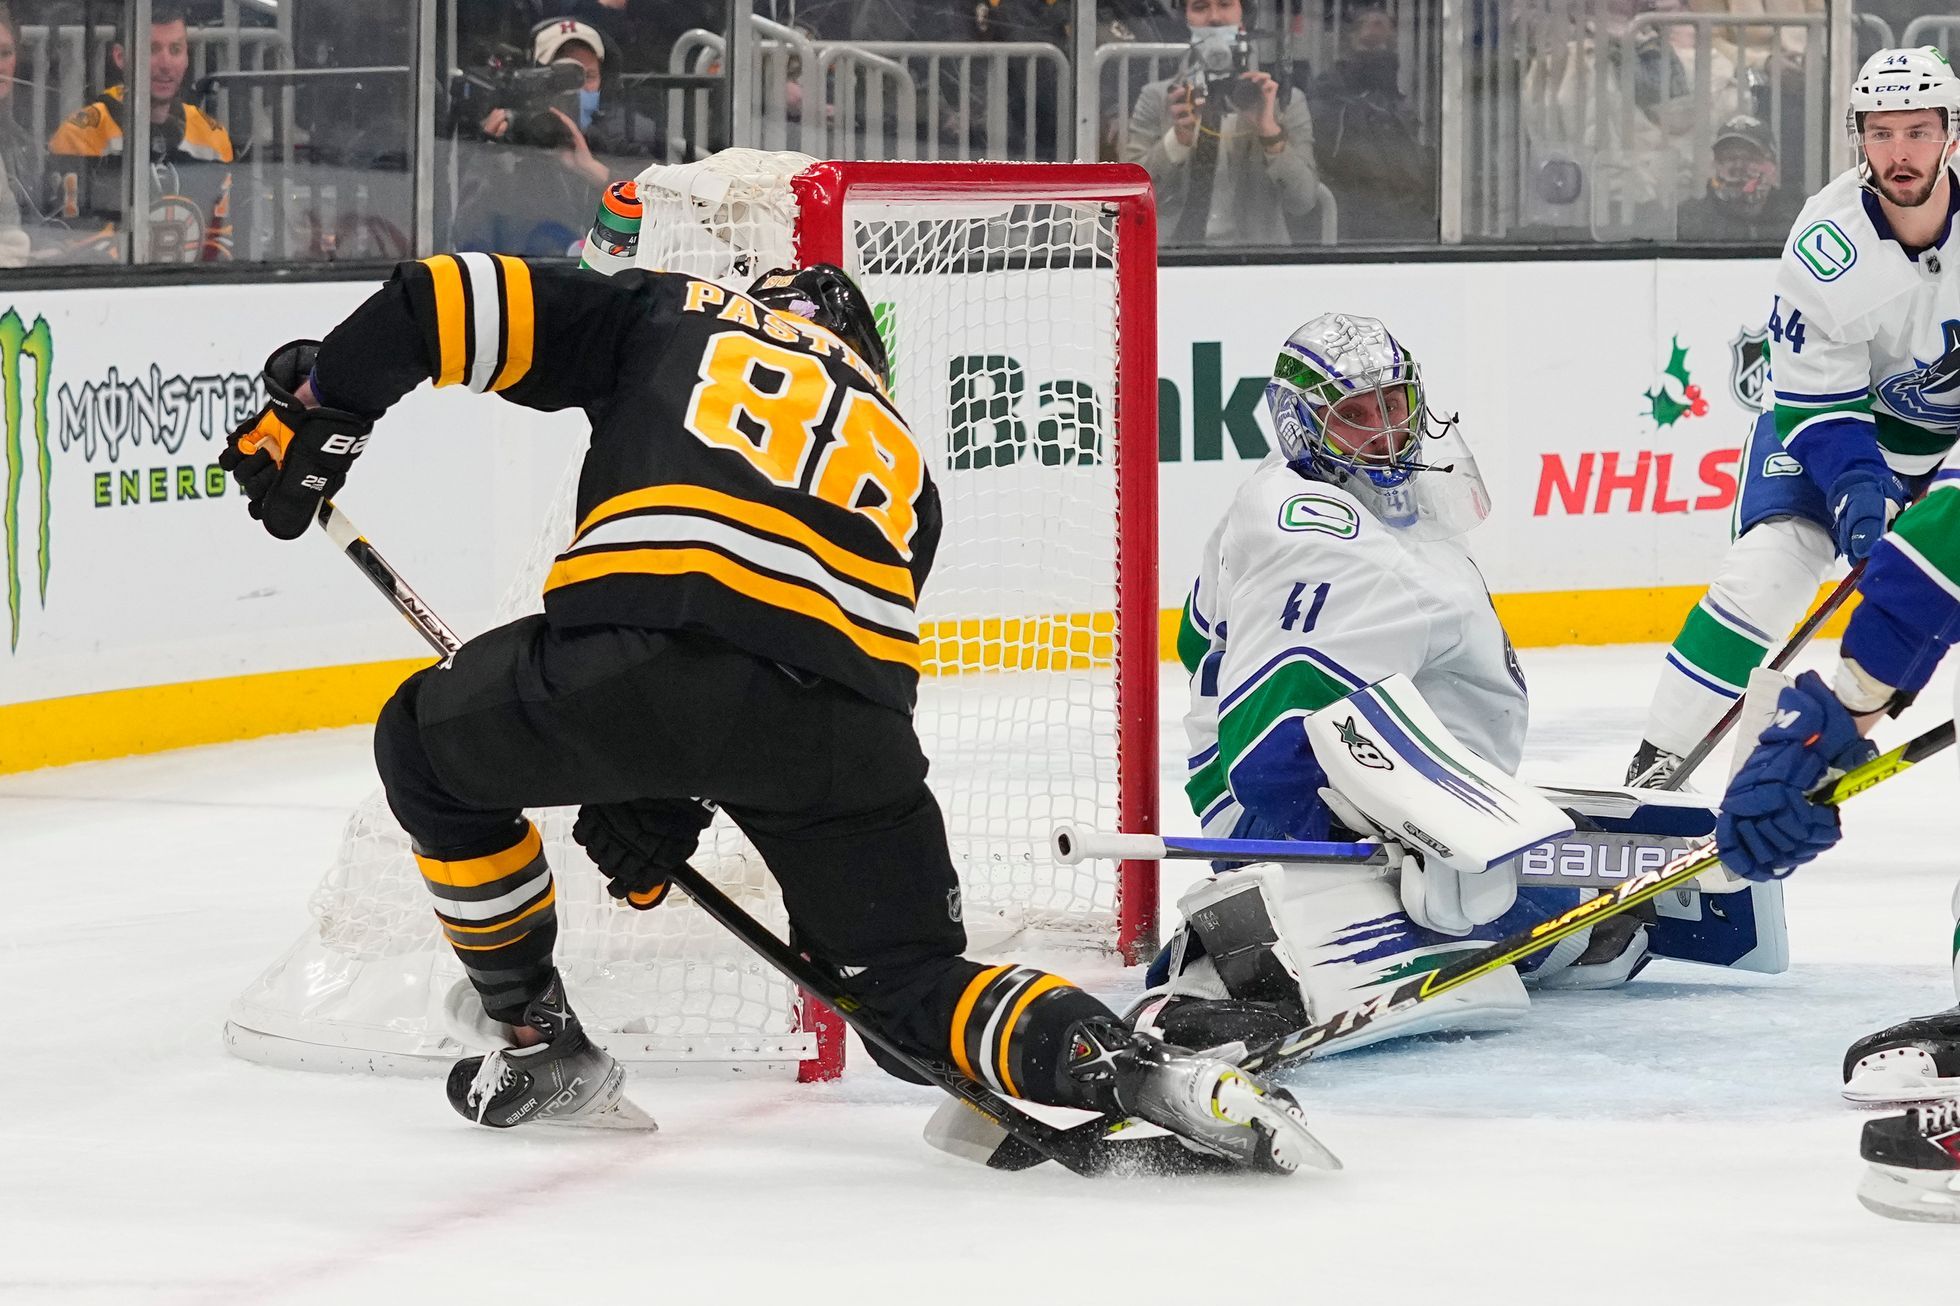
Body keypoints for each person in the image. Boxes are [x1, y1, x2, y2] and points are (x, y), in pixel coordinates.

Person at [214, 252, 1333, 1174]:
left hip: (637, 660)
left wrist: (323, 410)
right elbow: (786, 650)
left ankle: (537, 1034)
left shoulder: (674, 310)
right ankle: (1130, 1067)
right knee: (904, 992)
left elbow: (435, 300)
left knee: (423, 746)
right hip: (847, 739)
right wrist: (665, 800)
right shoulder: (905, 464)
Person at [1142, 313, 1777, 1056]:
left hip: (1349, 795)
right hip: (1284, 827)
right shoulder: (1317, 542)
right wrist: (1359, 860)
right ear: (1300, 425)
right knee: (1545, 913)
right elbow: (1273, 763)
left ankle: (1520, 902)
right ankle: (1225, 972)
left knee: (1548, 895)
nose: (1384, 434)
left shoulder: (1338, 498)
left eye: (1395, 405)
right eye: (1355, 417)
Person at [1625, 47, 1960, 789]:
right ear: (1858, 138)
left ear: (1952, 136)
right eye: (1880, 133)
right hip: (1842, 433)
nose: (1899, 153)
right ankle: (1655, 766)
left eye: (1917, 131)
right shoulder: (1825, 242)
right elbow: (1818, 402)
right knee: (1766, 573)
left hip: (1953, 447)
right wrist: (1857, 487)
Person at [43, 0, 235, 263]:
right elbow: (71, 246)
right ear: (120, 57)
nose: (165, 63)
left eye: (176, 49)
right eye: (151, 49)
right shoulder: (81, 135)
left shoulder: (212, 136)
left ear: (187, 56)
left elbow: (224, 240)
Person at [1123, 0, 1320, 247]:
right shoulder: (1159, 98)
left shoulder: (1283, 100)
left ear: (1244, 19)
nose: (1214, 18)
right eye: (1200, 7)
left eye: (1225, 5)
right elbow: (1128, 199)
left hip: (1257, 260)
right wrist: (1177, 140)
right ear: (1186, 20)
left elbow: (1303, 202)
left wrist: (1270, 132)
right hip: (1171, 257)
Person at [1305, 0, 1435, 242]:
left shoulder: (1397, 102)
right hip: (1350, 226)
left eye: (1386, 43)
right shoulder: (1329, 96)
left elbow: (1412, 170)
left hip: (1406, 225)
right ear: (1347, 42)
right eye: (1368, 43)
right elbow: (1335, 158)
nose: (1378, 49)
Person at [1675, 113, 1805, 240]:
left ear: (1773, 167)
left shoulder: (1801, 218)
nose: (1739, 166)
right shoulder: (1687, 220)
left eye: (1751, 158)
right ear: (1715, 165)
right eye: (1729, 158)